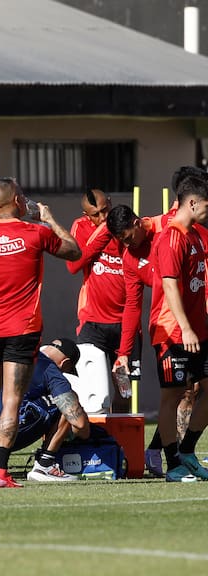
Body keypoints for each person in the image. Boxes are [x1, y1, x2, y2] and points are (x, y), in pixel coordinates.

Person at [0, 177, 80, 488]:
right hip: (22, 330)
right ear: (16, 200)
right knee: (11, 400)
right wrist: (49, 218)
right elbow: (74, 250)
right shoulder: (35, 233)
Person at [147, 168, 208, 482]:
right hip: (172, 331)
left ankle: (187, 451)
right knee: (171, 397)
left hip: (198, 330)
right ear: (193, 203)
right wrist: (185, 327)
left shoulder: (196, 235)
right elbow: (170, 287)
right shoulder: (171, 238)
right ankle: (173, 465)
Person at [107, 203, 176, 477]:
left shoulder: (166, 229)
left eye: (127, 237)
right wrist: (123, 352)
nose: (126, 244)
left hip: (195, 316)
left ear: (137, 222)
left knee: (192, 393)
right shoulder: (129, 258)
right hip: (166, 327)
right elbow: (132, 306)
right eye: (120, 241)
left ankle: (167, 450)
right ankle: (169, 454)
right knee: (179, 392)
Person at [0, 337, 90, 482]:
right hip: (3, 431)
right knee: (66, 403)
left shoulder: (9, 353)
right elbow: (79, 423)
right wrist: (81, 432)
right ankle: (45, 465)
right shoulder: (51, 370)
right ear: (65, 363)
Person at [66, 189, 133, 412]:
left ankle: (121, 444)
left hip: (125, 324)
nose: (103, 217)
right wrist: (105, 231)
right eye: (96, 214)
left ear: (111, 204)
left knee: (124, 390)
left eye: (106, 211)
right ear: (86, 215)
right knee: (89, 390)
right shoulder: (81, 227)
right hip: (92, 323)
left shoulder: (124, 224)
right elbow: (74, 265)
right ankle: (91, 442)